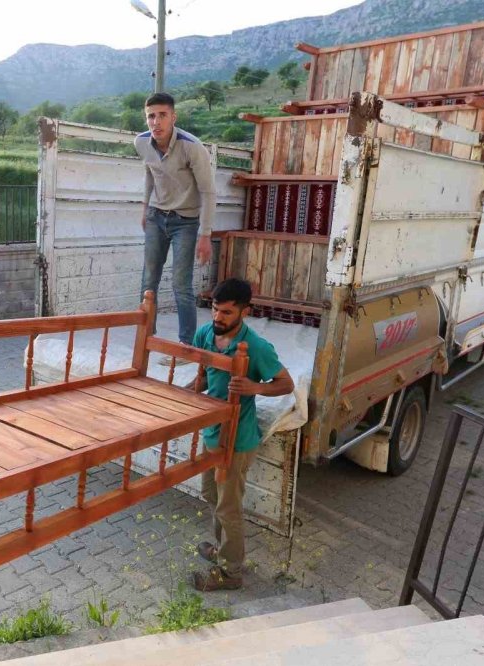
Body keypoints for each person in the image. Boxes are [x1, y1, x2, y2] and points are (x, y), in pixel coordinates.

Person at [189, 278, 294, 591]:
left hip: (237, 439)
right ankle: (222, 551)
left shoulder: (257, 348)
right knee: (211, 495)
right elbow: (202, 375)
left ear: (245, 312)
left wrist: (255, 387)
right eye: (214, 310)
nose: (218, 318)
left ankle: (232, 572)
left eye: (227, 313)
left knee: (229, 507)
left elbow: (286, 384)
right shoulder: (205, 334)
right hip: (212, 431)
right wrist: (186, 397)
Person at [134, 92, 216, 365]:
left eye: (162, 115)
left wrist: (206, 235)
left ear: (173, 117)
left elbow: (208, 192)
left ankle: (186, 347)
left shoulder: (192, 147)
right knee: (148, 281)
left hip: (186, 221)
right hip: (157, 216)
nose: (155, 122)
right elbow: (150, 172)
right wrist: (145, 206)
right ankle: (147, 338)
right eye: (151, 116)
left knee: (181, 284)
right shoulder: (142, 142)